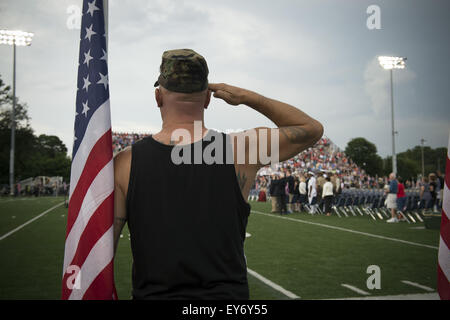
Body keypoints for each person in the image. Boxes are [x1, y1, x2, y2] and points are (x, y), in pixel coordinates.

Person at [113, 49, 323, 299]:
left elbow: (100, 256)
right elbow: (311, 129)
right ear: (207, 99)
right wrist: (247, 97)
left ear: (158, 97)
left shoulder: (125, 163)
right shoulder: (241, 150)